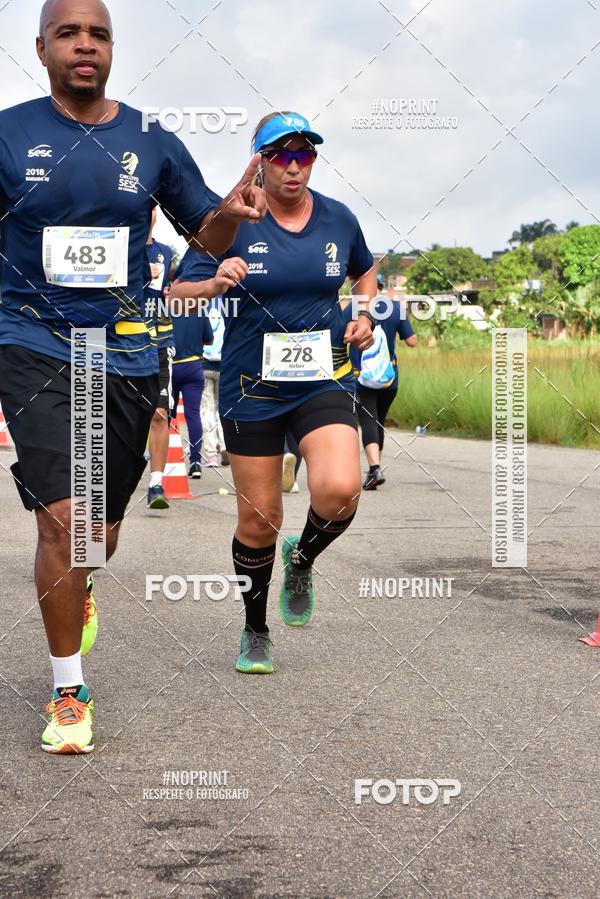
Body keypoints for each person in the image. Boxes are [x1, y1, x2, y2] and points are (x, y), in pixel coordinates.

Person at [0, 0, 266, 754]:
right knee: (64, 519)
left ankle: (77, 588)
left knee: (95, 537)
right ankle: (68, 690)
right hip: (32, 343)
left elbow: (202, 233)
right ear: (41, 47)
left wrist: (231, 213)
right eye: (69, 34)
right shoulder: (8, 134)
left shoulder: (150, 138)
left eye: (99, 34)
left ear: (111, 47)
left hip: (123, 351)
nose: (85, 45)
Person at [170, 111, 376, 675]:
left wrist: (363, 316)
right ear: (258, 158)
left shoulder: (338, 218)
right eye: (281, 154)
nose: (293, 166)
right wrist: (214, 282)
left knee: (340, 489)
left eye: (304, 154)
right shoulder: (230, 219)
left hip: (324, 377)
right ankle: (255, 627)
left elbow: (365, 273)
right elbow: (177, 295)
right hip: (251, 387)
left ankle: (302, 556)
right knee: (259, 520)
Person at [345, 279, 417, 489]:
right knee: (379, 423)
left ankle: (375, 468)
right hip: (389, 377)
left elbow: (340, 336)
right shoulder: (395, 308)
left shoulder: (354, 308)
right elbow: (412, 341)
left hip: (362, 377)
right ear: (382, 286)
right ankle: (374, 469)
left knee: (368, 420)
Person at [144, 207, 174, 509]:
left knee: (159, 413)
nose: (148, 212)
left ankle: (156, 484)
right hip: (123, 341)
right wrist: (141, 274)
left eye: (153, 207)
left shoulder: (166, 252)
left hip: (161, 342)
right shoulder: (122, 248)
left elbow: (175, 290)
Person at [170, 303, 214, 478]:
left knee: (164, 415)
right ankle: (195, 461)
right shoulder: (199, 309)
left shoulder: (165, 307)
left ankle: (164, 462)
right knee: (193, 415)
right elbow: (209, 339)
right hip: (194, 365)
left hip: (171, 365)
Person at [199, 298, 228, 467]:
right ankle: (225, 445)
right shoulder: (229, 303)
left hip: (204, 363)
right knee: (221, 408)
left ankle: (211, 455)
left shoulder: (199, 304)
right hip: (224, 363)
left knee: (206, 410)